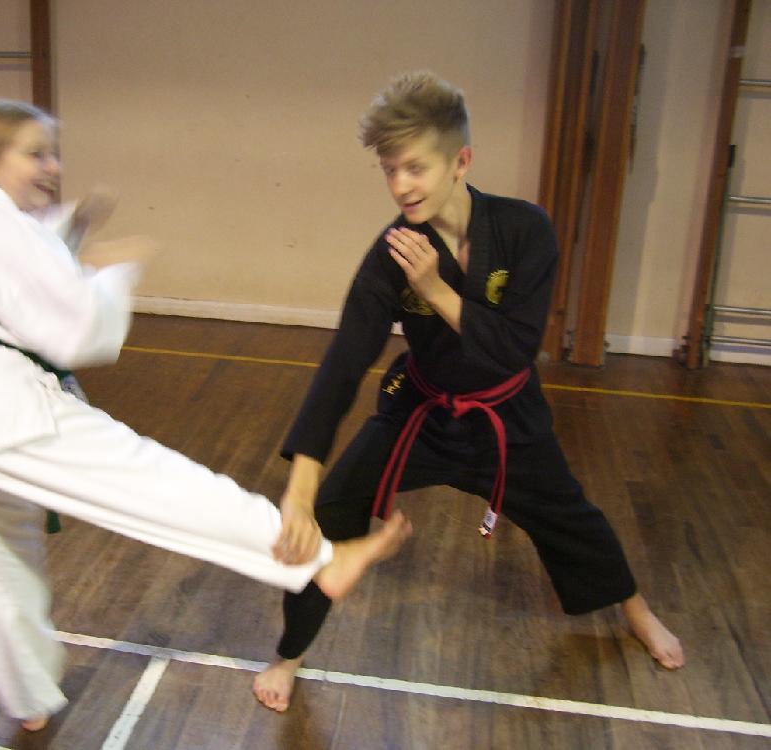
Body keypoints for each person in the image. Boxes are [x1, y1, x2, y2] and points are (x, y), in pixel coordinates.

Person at [0, 99, 412, 732]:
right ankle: (320, 562)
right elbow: (74, 327)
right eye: (35, 154)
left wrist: (73, 230)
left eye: (52, 153)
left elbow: (20, 268)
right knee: (151, 481)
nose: (52, 166)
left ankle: (27, 698)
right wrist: (113, 273)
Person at [252, 72, 684, 713]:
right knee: (333, 506)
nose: (401, 186)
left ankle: (635, 609)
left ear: (462, 161)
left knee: (568, 516)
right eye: (390, 170)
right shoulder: (392, 252)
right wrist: (300, 487)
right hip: (422, 411)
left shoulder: (524, 230)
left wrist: (435, 289)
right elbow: (344, 363)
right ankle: (290, 653)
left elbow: (515, 348)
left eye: (416, 168)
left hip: (507, 413)